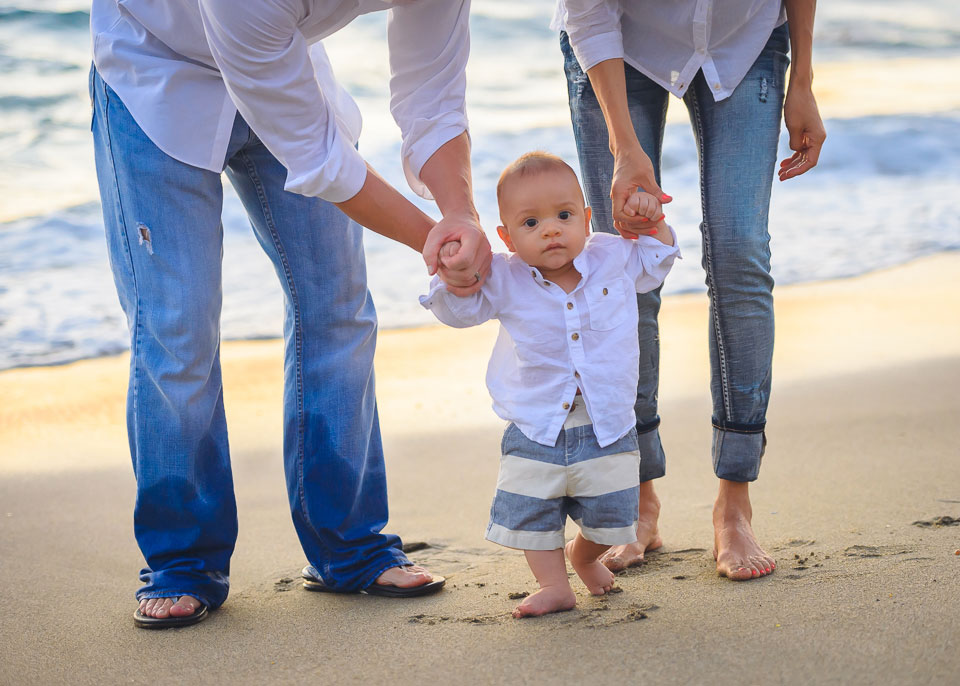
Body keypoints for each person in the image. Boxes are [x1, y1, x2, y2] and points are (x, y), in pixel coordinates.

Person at [89, 0, 492, 629]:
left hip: (280, 57)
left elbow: (432, 100)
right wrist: (433, 242)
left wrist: (459, 214)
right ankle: (182, 561)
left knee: (337, 308)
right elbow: (324, 162)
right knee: (179, 329)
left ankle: (348, 547)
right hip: (153, 66)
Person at [554, 0, 826, 579]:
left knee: (739, 254)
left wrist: (801, 80)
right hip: (618, 48)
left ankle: (733, 504)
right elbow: (589, 12)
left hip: (746, 38)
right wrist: (626, 150)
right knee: (620, 264)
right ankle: (637, 496)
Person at [420, 152, 679, 617]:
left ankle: (583, 557)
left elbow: (657, 261)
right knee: (532, 511)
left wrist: (652, 222)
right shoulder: (503, 275)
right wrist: (451, 272)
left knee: (614, 512)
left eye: (563, 216)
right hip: (536, 425)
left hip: (606, 422)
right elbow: (459, 312)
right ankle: (553, 584)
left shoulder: (611, 257)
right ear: (506, 237)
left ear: (587, 217)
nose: (551, 230)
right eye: (531, 222)